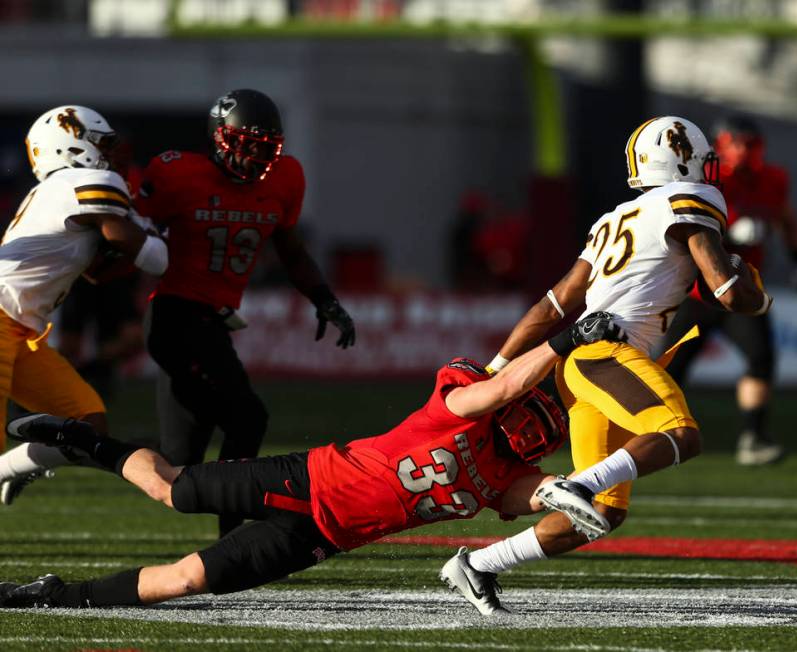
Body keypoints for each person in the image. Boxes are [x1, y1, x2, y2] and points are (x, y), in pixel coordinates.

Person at [0, 319, 614, 614]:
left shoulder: (507, 477)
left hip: (325, 536)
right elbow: (501, 388)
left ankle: (52, 597)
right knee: (174, 491)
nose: (531, 433)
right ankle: (82, 440)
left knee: (183, 582)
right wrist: (563, 343)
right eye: (531, 418)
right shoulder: (458, 407)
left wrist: (576, 488)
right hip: (309, 479)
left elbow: (522, 500)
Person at [438, 116, 774, 615]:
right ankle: (576, 484)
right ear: (683, 159)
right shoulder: (693, 202)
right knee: (681, 435)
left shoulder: (611, 220)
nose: (708, 169)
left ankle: (479, 565)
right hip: (608, 356)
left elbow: (553, 305)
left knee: (602, 514)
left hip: (576, 366)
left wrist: (495, 368)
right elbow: (727, 292)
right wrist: (757, 296)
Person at [135, 89, 356, 536]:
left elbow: (291, 251)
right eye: (247, 144)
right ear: (220, 137)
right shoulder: (177, 173)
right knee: (247, 416)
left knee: (177, 463)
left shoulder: (285, 178)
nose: (256, 158)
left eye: (265, 147)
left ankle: (72, 448)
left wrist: (324, 298)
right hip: (174, 316)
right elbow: (128, 235)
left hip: (212, 321)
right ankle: (234, 529)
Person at [0, 105, 168, 505]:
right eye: (101, 143)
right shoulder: (85, 179)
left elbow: (96, 272)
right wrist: (162, 239)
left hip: (21, 331)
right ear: (69, 147)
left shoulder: (58, 190)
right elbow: (152, 257)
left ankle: (7, 469)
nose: (110, 154)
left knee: (88, 422)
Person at [661, 115, 797, 466]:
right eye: (737, 141)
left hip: (741, 290)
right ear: (720, 144)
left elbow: (787, 219)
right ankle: (653, 432)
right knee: (669, 366)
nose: (744, 150)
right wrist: (725, 234)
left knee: (761, 358)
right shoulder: (708, 178)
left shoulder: (773, 180)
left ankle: (754, 438)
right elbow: (683, 227)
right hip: (697, 290)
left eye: (750, 143)